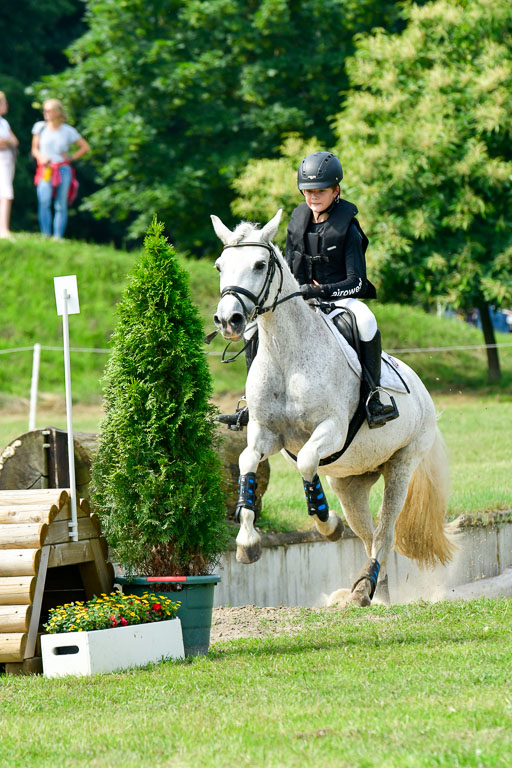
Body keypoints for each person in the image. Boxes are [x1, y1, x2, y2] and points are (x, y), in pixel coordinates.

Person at [218, 151, 399, 430]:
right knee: (254, 329)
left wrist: (321, 291)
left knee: (366, 320)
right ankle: (250, 403)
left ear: (335, 190)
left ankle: (373, 396)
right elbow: (289, 268)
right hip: (299, 300)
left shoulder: (348, 229)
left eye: (320, 191)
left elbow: (358, 282)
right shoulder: (298, 220)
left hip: (340, 299)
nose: (313, 197)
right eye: (307, 191)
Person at [31, 98, 90, 239]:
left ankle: (58, 237)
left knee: (60, 203)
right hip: (46, 169)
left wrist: (71, 158)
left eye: (49, 110)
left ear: (57, 112)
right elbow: (34, 149)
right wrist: (41, 158)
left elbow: (85, 147)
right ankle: (45, 234)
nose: (45, 113)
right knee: (44, 200)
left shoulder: (68, 131)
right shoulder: (40, 127)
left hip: (63, 169)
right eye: (44, 110)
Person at [0, 91, 19, 239]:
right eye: (4, 102)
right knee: (6, 193)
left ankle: (4, 228)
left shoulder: (4, 122)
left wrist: (6, 142)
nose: (6, 105)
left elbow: (15, 141)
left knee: (5, 192)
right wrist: (6, 142)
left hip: (7, 160)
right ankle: (4, 229)